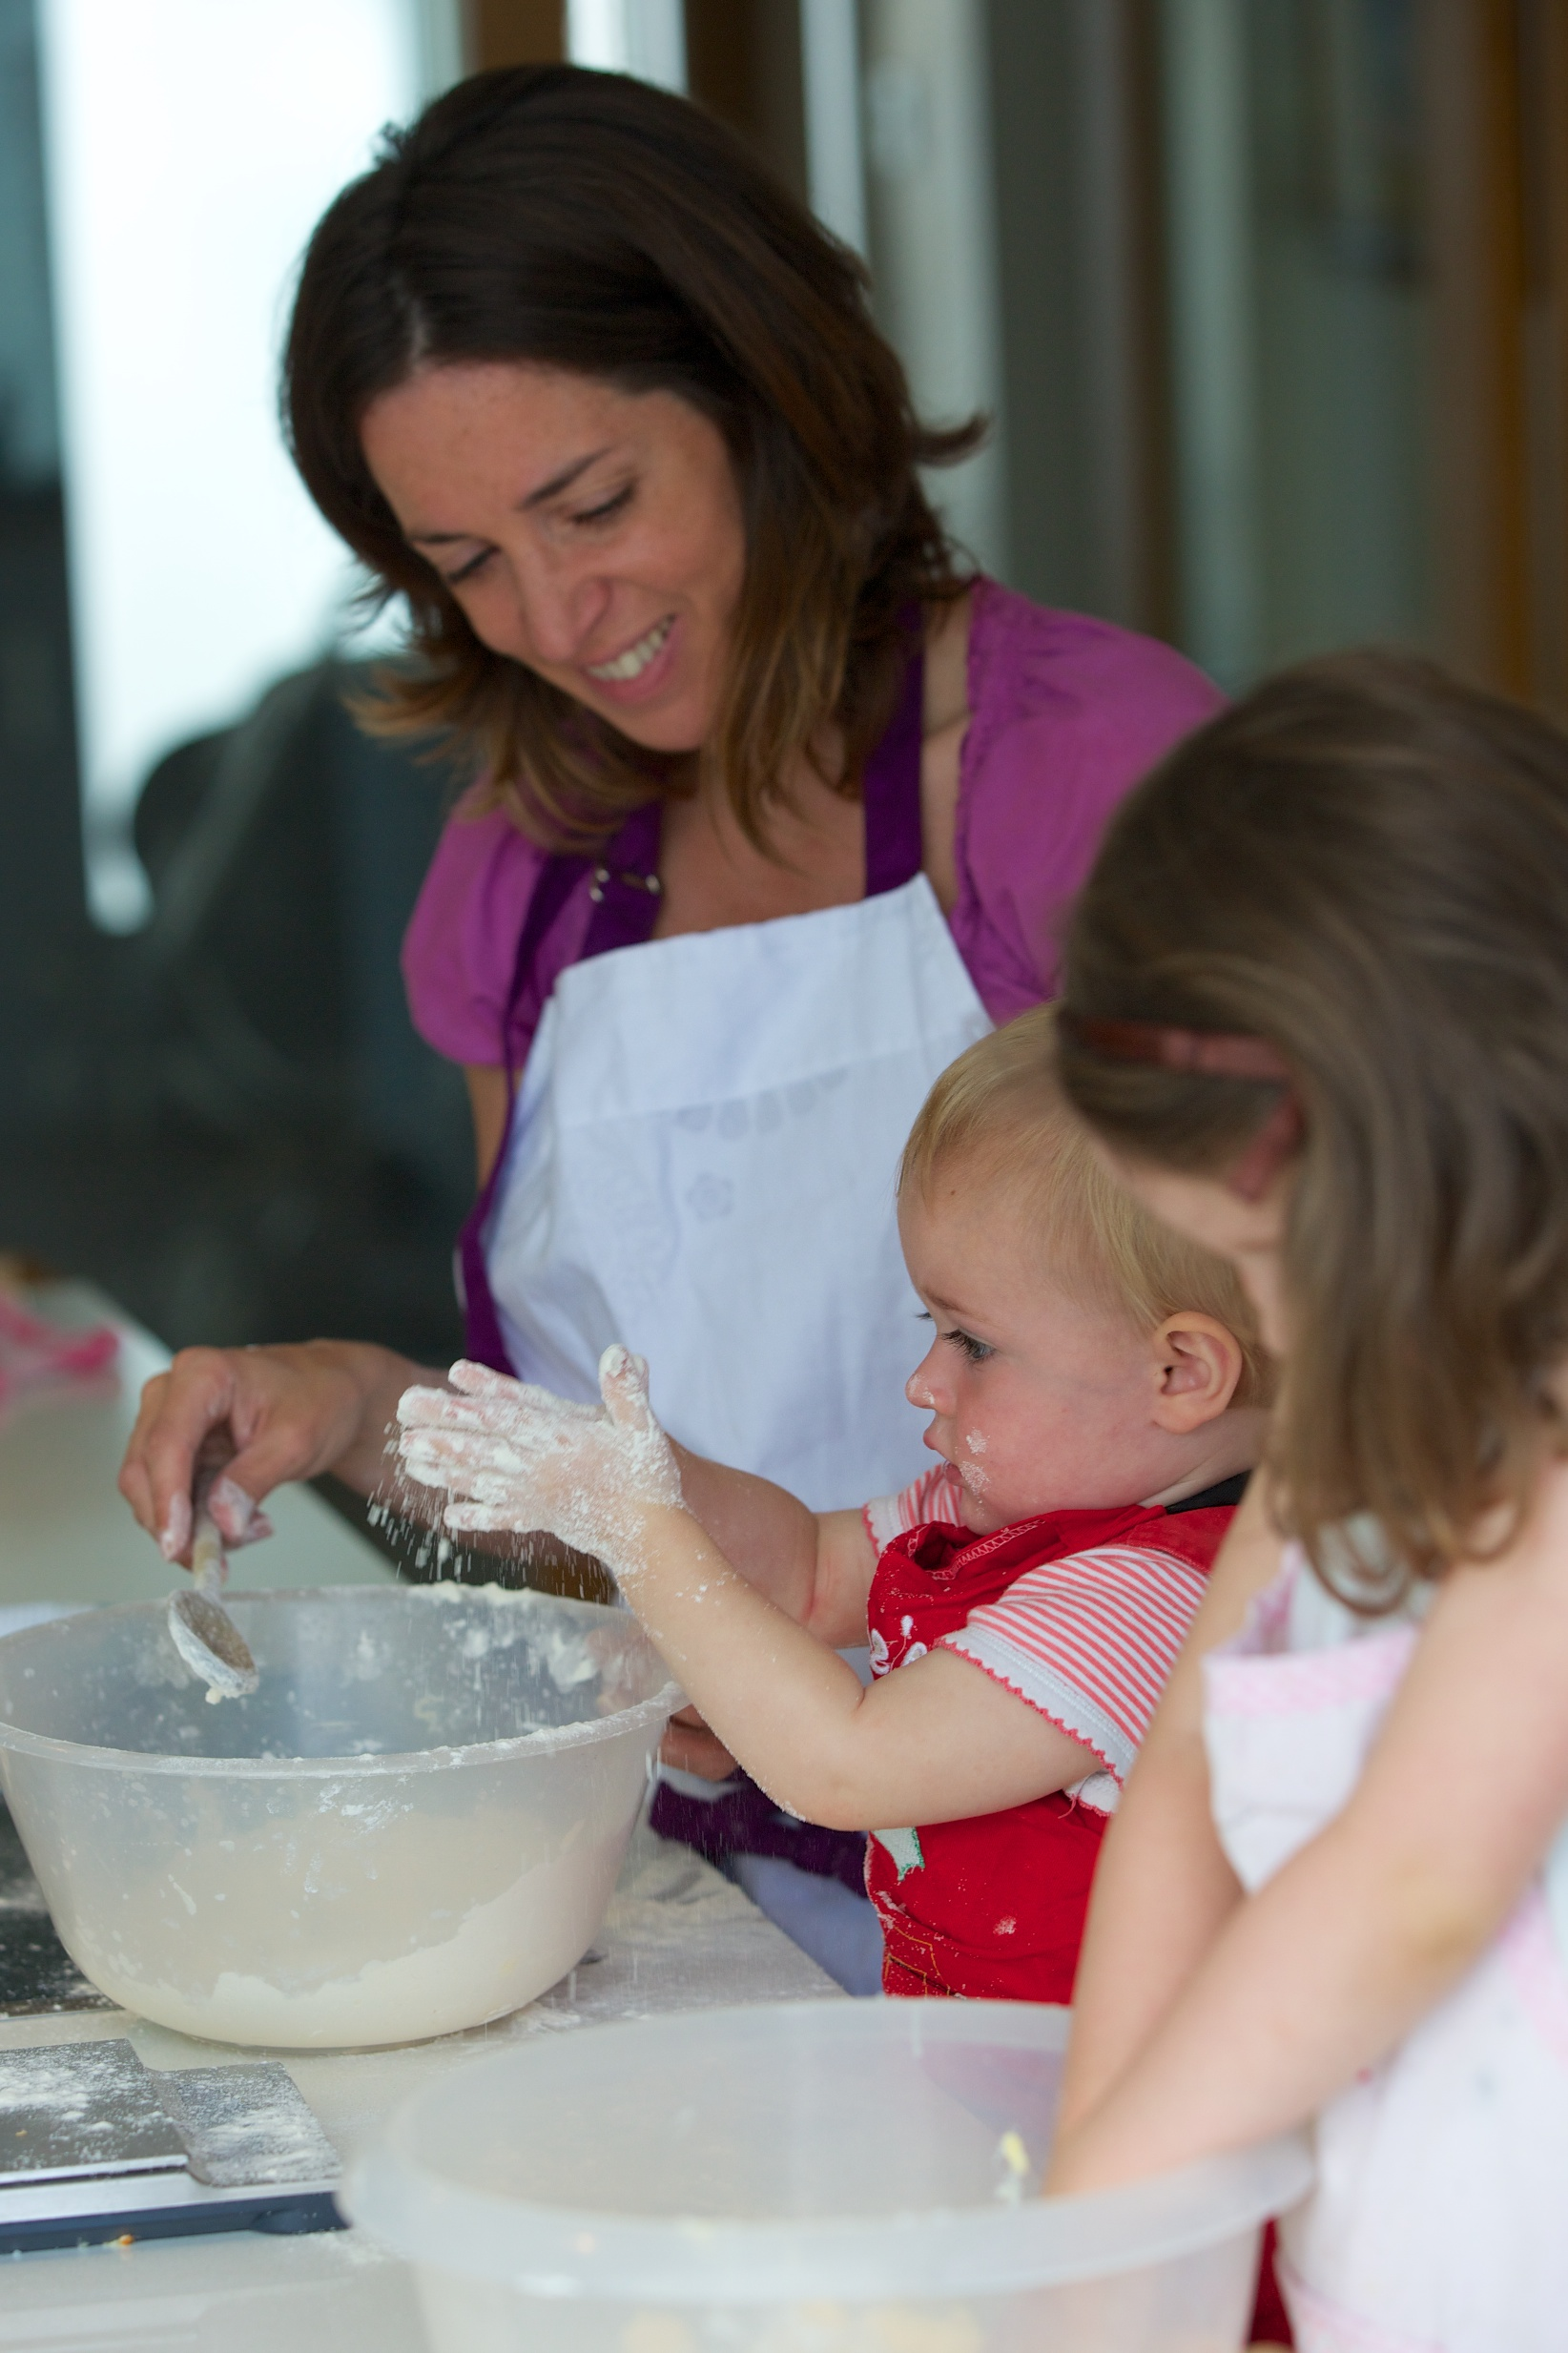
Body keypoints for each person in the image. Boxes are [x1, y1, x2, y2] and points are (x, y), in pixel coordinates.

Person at [116, 62, 1220, 1566]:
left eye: (595, 505)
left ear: (758, 391)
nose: (562, 618)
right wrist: (353, 1401)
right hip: (674, 1791)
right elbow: (606, 1534)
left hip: (1089, 1778)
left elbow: (1310, 1419)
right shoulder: (519, 876)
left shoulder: (1086, 782)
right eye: (469, 561)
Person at [1039, 651, 1568, 2351]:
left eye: (1264, 1256)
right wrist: (1083, 2231)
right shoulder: (1348, 1423)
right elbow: (1181, 1784)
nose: (1263, 1324)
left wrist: (1100, 2198)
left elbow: (1414, 1878)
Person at [395, 1011, 1269, 2002]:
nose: (924, 1380)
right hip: (988, 2090)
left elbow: (846, 1764)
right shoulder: (1010, 1515)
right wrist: (646, 1473)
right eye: (926, 1325)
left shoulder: (1154, 1606)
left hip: (1093, 2125)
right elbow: (810, 1577)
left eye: (972, 1344)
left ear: (1181, 1370)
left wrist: (637, 1526)